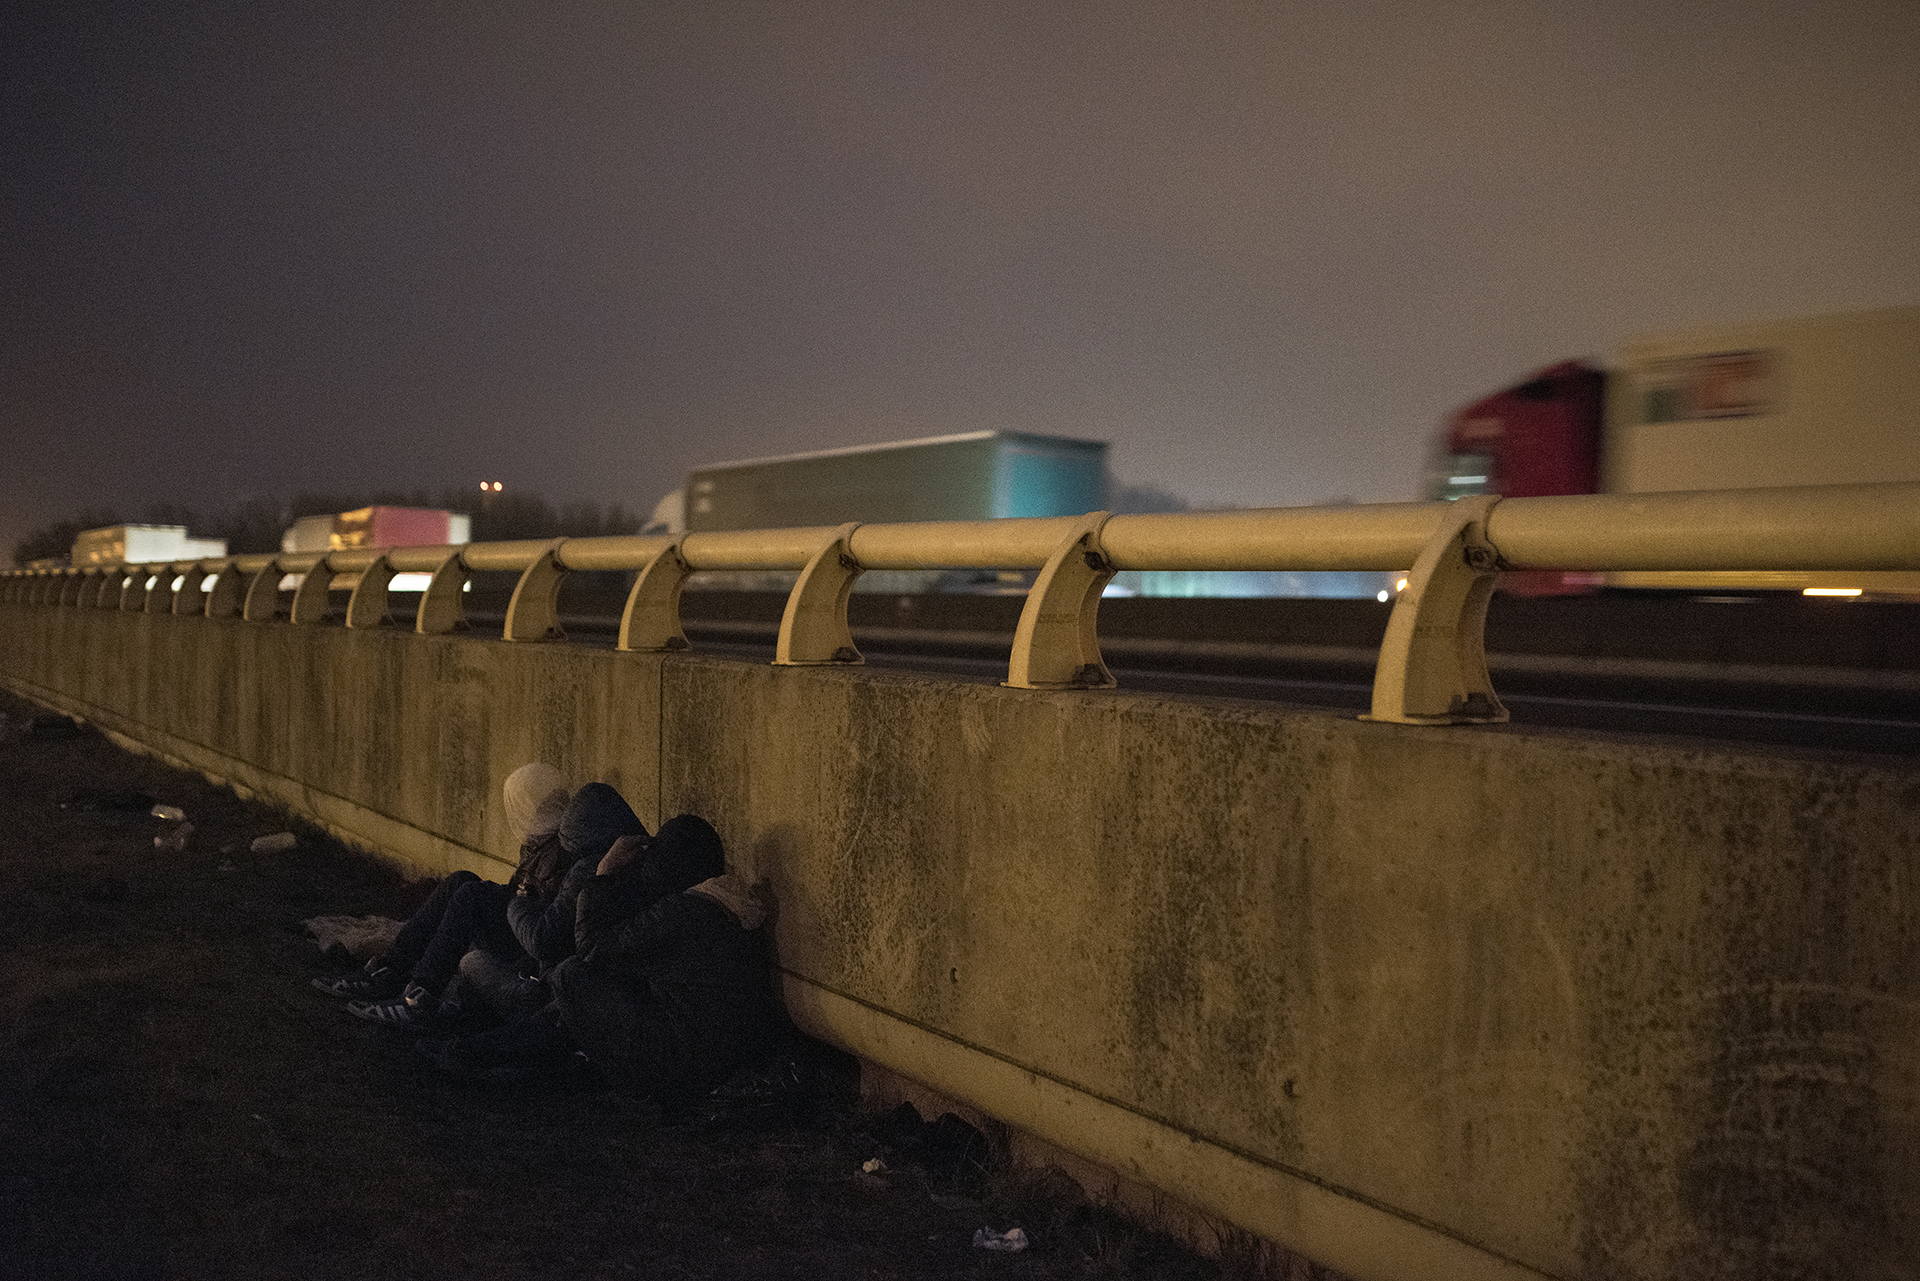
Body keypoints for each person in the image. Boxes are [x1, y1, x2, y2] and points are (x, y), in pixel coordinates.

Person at [309, 763, 595, 1026]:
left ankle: (421, 995)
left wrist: (518, 898)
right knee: (462, 880)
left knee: (472, 895)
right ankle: (390, 970)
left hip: (528, 945)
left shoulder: (562, 850)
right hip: (521, 924)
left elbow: (545, 917)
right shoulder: (541, 841)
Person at [549, 814, 786, 1101]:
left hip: (683, 1067)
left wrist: (604, 873)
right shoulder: (731, 905)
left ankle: (618, 1081)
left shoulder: (684, 913)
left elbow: (592, 951)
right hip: (719, 1059)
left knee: (568, 974)